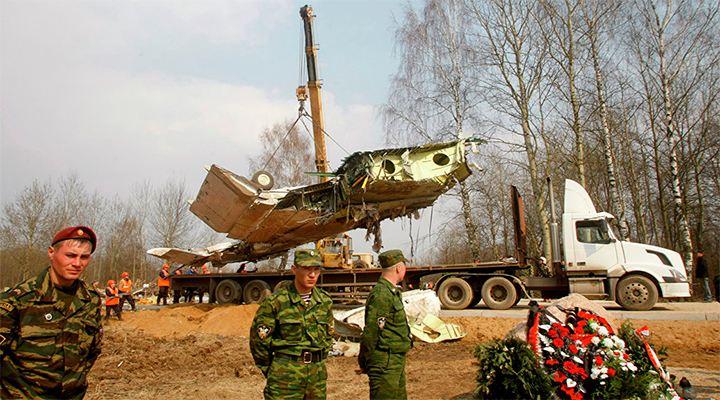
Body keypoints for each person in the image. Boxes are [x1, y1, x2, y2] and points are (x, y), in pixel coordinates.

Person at [0, 226, 103, 398]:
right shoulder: (17, 301)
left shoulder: (90, 300)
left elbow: (93, 351)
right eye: (70, 255)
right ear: (51, 253)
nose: (77, 263)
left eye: (84, 257)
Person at [250, 249, 334, 400]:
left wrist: (318, 362)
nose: (312, 275)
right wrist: (273, 370)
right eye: (307, 269)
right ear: (294, 269)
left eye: (316, 269)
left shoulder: (324, 302)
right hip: (285, 377)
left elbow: (328, 336)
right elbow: (259, 342)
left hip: (316, 378)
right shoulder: (276, 302)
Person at [358, 249, 413, 400]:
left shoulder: (391, 292)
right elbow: (371, 331)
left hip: (394, 360)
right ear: (398, 268)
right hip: (385, 363)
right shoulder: (382, 294)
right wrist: (364, 360)